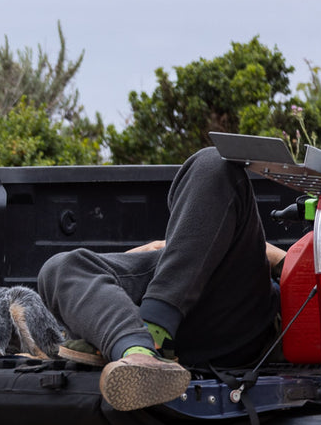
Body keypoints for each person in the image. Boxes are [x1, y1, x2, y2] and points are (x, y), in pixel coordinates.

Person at [37, 146, 287, 411]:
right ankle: (140, 354)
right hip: (162, 318)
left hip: (236, 319)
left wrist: (273, 255)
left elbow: (301, 271)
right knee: (59, 266)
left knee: (214, 162)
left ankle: (152, 328)